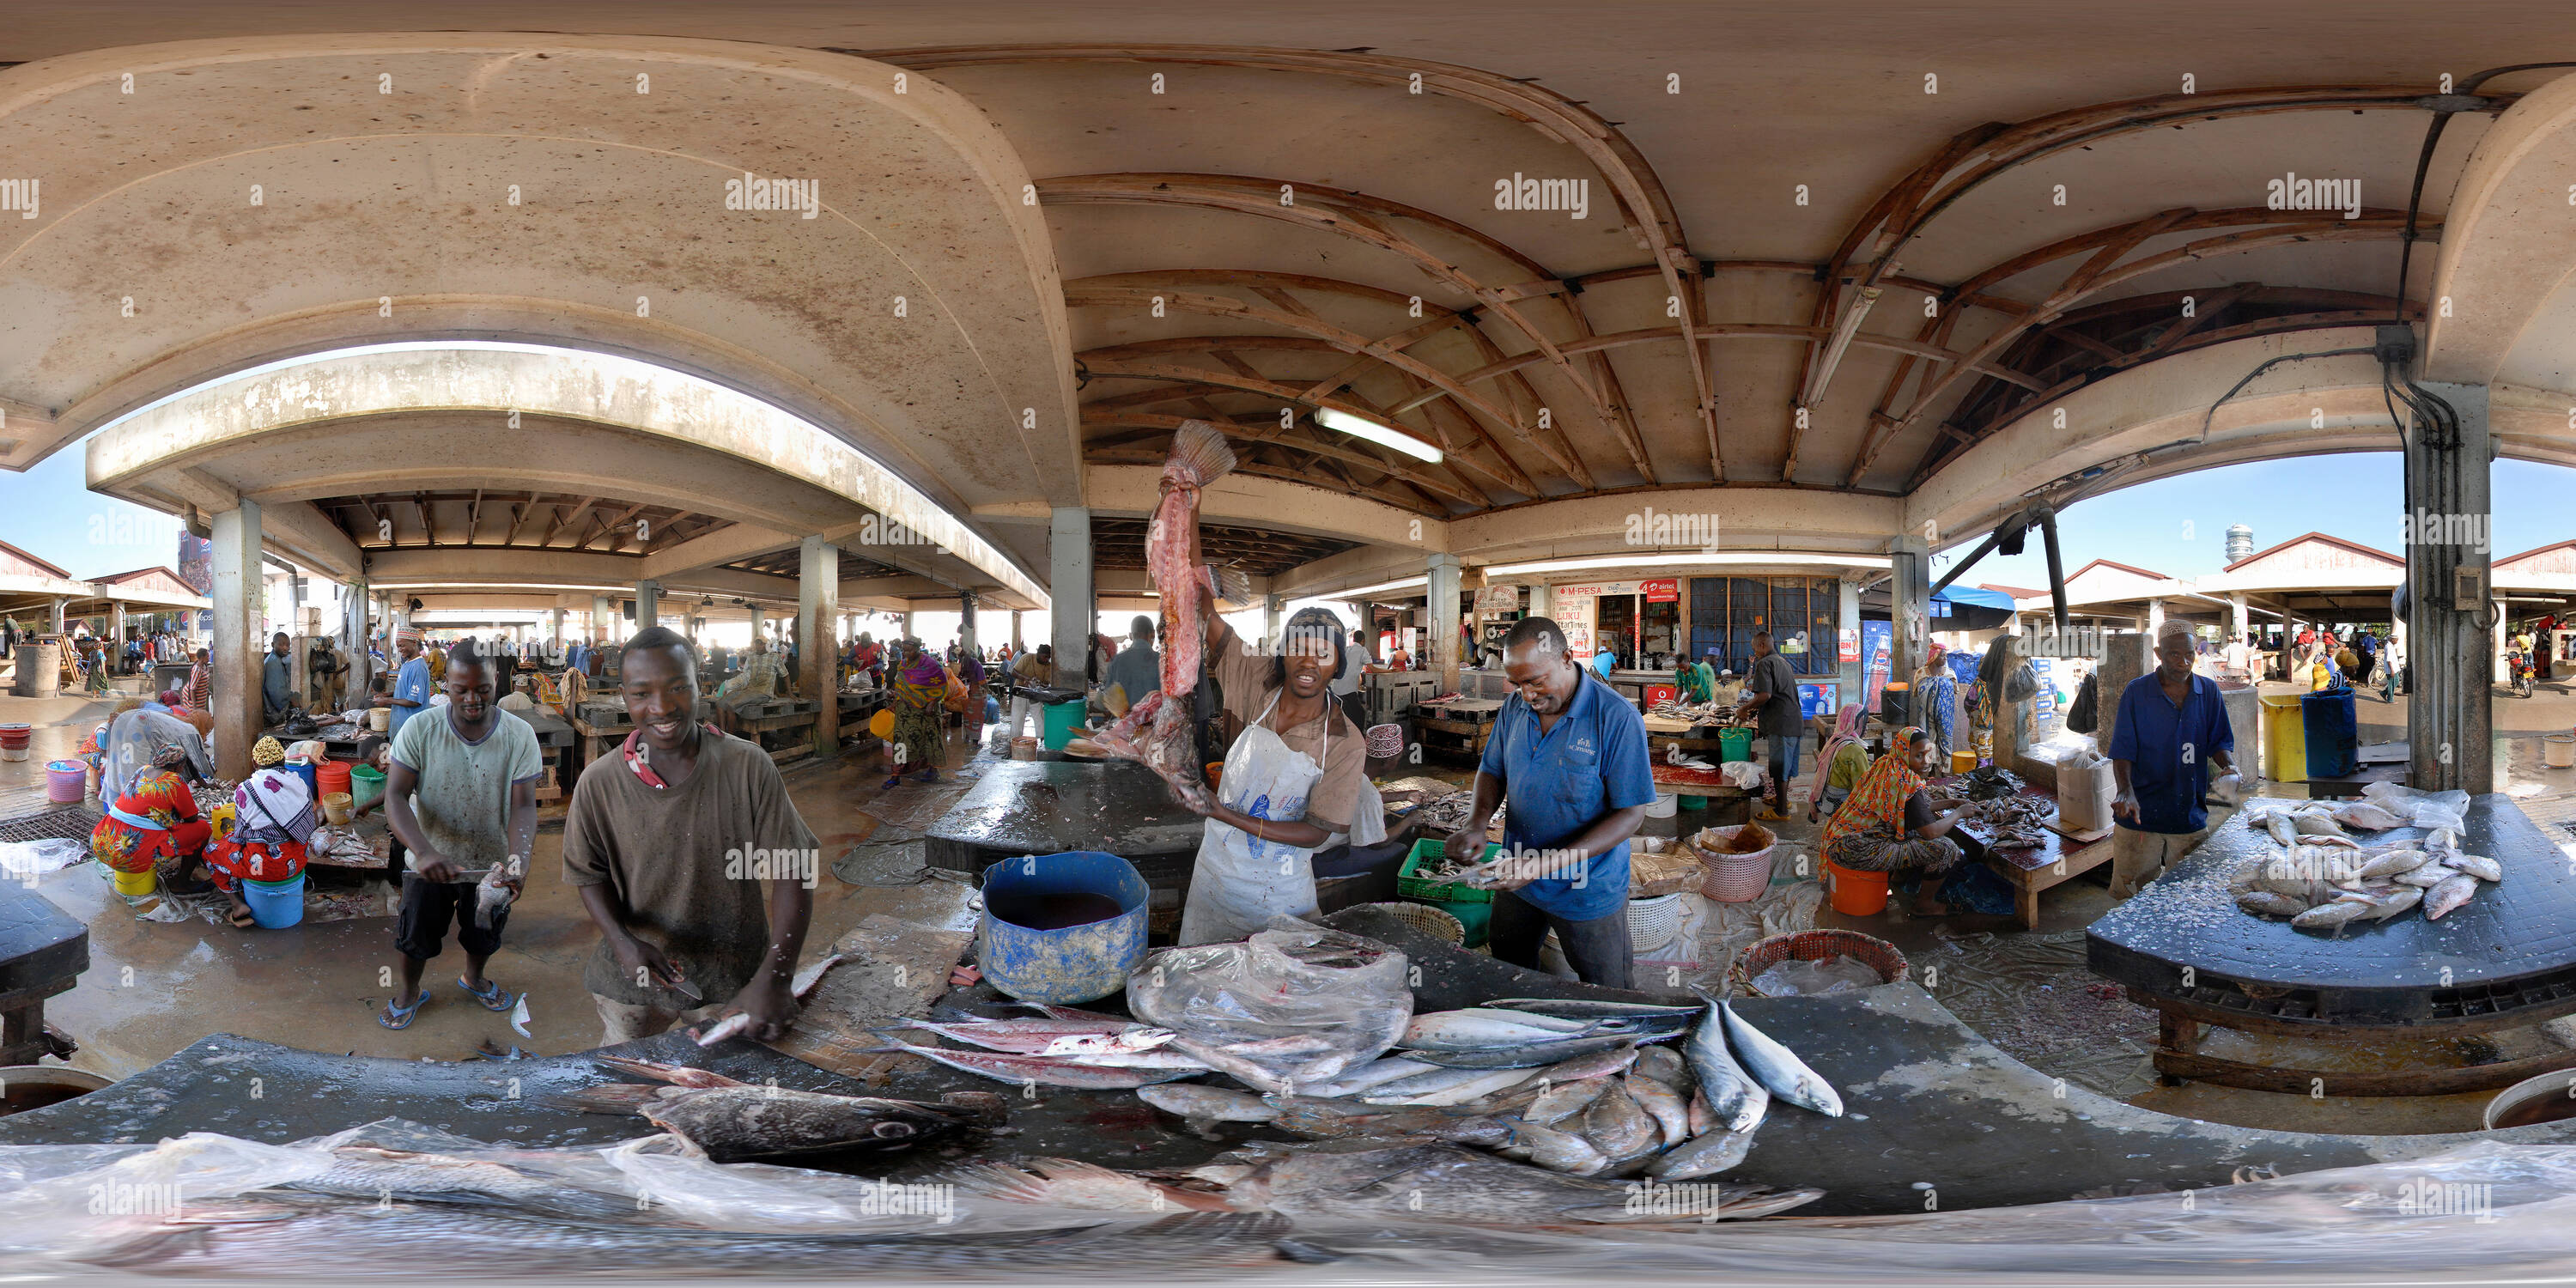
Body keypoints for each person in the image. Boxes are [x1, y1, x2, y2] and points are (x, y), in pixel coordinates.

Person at [564, 627, 817, 1045]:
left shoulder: (747, 767)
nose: (662, 707)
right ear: (624, 696)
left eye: (678, 687)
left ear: (701, 684)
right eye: (641, 694)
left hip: (732, 974)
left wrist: (777, 975)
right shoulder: (598, 783)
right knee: (633, 1080)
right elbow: (588, 873)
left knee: (724, 1088)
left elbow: (793, 867)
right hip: (634, 975)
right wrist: (622, 942)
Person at [1438, 617, 1651, 987]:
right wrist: (1476, 823)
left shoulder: (1616, 718)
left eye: (1536, 681)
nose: (1527, 695)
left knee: (1607, 987)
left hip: (1587, 888)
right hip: (1516, 878)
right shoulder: (1515, 709)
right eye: (1517, 684)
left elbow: (1631, 814)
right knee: (1510, 969)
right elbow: (1492, 770)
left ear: (1567, 658)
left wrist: (1546, 864)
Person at [1178, 606, 1373, 945]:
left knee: (1276, 988)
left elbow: (1316, 833)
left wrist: (1226, 815)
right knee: (1205, 981)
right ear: (1283, 655)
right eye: (1299, 648)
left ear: (1338, 665)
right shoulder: (1255, 683)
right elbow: (1205, 614)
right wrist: (1184, 556)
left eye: (1324, 653)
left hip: (1281, 897)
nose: (1309, 662)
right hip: (1215, 883)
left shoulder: (1344, 741)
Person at [379, 643, 543, 1030]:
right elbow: (396, 796)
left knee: (484, 932)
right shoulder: (421, 729)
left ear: (496, 681)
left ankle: (473, 977)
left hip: (490, 863)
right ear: (445, 685)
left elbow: (523, 807)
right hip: (428, 863)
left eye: (483, 689)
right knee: (414, 935)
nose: (472, 699)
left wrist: (519, 859)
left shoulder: (519, 736)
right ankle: (408, 991)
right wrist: (423, 851)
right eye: (460, 690)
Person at [2108, 619, 2238, 899]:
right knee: (2132, 901)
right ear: (2158, 653)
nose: (2183, 662)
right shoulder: (2137, 692)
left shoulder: (2208, 692)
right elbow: (2123, 749)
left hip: (2188, 814)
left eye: (2190, 654)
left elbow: (2218, 741)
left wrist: (2229, 766)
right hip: (2139, 817)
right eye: (2174, 655)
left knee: (2193, 897)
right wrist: (2125, 791)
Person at [1820, 726, 1987, 915]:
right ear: (1904, 752)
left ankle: (1898, 879)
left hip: (1840, 838)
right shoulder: (1906, 781)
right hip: (1855, 851)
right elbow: (1930, 832)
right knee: (1946, 849)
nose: (1925, 762)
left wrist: (1952, 802)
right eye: (1918, 756)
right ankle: (1924, 906)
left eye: (1928, 755)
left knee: (1910, 832)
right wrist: (1958, 813)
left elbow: (1915, 806)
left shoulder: (1887, 764)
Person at [202, 738, 321, 927]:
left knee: (212, 851)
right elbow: (312, 823)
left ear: (255, 763)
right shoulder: (299, 784)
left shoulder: (246, 789)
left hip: (262, 866)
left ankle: (237, 905)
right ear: (283, 761)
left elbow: (240, 833)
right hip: (298, 860)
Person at [1732, 629, 1803, 821]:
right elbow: (1774, 695)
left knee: (1780, 767)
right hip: (1793, 721)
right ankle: (1782, 800)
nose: (1754, 652)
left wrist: (1743, 709)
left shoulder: (1765, 663)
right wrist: (1754, 710)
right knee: (1785, 767)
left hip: (1782, 724)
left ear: (1762, 645)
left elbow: (1765, 695)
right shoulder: (1783, 662)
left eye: (1755, 648)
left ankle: (1781, 811)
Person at [884, 638, 951, 787]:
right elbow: (901, 685)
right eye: (904, 650)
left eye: (908, 650)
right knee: (900, 742)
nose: (905, 653)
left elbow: (942, 684)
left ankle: (933, 770)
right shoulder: (904, 664)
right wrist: (894, 698)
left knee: (930, 740)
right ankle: (896, 775)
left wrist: (932, 703)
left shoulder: (930, 664)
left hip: (925, 711)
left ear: (918, 649)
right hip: (905, 712)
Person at [1807, 703, 1870, 823]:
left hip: (1825, 801)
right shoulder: (1855, 750)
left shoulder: (1835, 740)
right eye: (1864, 723)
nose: (1866, 728)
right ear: (1854, 724)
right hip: (1839, 805)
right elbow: (1863, 786)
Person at [379, 628, 432, 738]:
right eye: (398, 646)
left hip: (411, 727)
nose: (399, 649)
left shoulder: (418, 667)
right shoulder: (407, 663)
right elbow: (405, 690)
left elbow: (414, 701)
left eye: (402, 646)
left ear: (414, 643)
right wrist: (387, 694)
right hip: (401, 723)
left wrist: (387, 700)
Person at [1103, 615, 1162, 716]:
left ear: (1130, 635)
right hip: (1155, 725)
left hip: (1124, 725)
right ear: (1153, 633)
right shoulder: (1162, 661)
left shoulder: (1117, 660)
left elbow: (1106, 701)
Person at [1913, 644, 1957, 763]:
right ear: (1934, 656)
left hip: (1945, 716)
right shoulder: (1921, 673)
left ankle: (1945, 770)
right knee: (1927, 740)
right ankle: (1928, 769)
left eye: (1946, 656)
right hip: (1926, 715)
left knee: (1946, 739)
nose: (1945, 658)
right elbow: (1916, 693)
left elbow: (1955, 692)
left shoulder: (1950, 674)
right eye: (1942, 656)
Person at [1005, 643, 1055, 741]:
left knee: (1040, 719)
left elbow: (1047, 683)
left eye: (1048, 658)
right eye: (1045, 657)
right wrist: (1026, 679)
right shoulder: (1027, 657)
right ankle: (1014, 744)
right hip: (1020, 692)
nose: (1046, 660)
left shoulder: (1048, 666)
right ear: (1038, 653)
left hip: (1035, 695)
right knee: (1017, 720)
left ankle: (1043, 742)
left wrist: (1040, 684)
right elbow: (1013, 671)